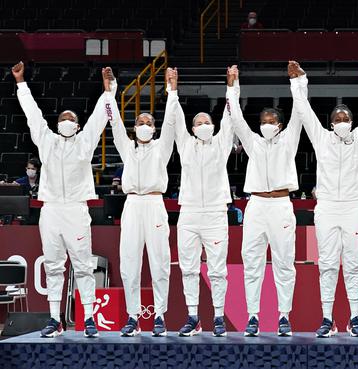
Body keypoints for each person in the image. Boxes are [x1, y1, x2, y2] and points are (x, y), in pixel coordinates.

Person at [11, 61, 112, 339]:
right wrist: (21, 84)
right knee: (54, 266)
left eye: (70, 119)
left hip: (77, 210)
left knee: (83, 266)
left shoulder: (84, 142)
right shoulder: (47, 142)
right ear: (57, 125)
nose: (66, 121)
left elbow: (99, 120)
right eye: (62, 119)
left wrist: (108, 92)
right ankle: (55, 319)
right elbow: (33, 116)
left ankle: (89, 317)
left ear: (77, 126)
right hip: (51, 210)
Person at [293, 59, 358, 338]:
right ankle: (327, 318)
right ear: (331, 123)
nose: (342, 122)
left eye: (346, 119)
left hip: (354, 207)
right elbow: (305, 112)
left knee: (354, 264)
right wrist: (298, 82)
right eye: (338, 119)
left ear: (351, 123)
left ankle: (355, 317)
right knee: (328, 264)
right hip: (328, 208)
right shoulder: (321, 139)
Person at [227, 63, 305, 337]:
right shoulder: (253, 142)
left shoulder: (289, 139)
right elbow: (236, 118)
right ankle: (252, 316)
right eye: (263, 122)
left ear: (280, 126)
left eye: (272, 122)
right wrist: (233, 86)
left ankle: (284, 316)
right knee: (252, 262)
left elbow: (299, 112)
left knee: (285, 262)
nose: (267, 125)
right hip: (256, 205)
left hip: (282, 204)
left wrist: (297, 81)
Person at [108, 68, 178, 338]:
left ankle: (159, 316)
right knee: (129, 263)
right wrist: (110, 92)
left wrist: (172, 90)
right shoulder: (127, 148)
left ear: (154, 128)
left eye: (149, 122)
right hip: (132, 205)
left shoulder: (162, 147)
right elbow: (114, 124)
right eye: (140, 122)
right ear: (134, 128)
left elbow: (171, 123)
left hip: (154, 204)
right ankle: (132, 316)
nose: (145, 125)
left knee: (160, 261)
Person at [169, 67, 235, 338]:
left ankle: (219, 316)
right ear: (193, 129)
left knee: (218, 269)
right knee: (189, 268)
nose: (203, 125)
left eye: (207, 121)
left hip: (217, 213)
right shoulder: (185, 144)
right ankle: (193, 316)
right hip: (190, 214)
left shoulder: (222, 143)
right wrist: (173, 88)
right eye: (198, 123)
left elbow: (231, 118)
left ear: (213, 126)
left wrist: (232, 85)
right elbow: (175, 119)